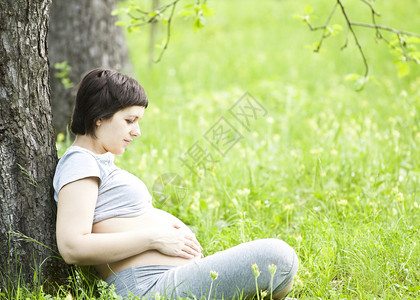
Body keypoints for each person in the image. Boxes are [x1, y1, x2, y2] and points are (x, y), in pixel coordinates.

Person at [53, 68, 299, 300]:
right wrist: (154, 239)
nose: (137, 131)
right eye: (130, 120)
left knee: (278, 261)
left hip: (162, 282)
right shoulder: (80, 162)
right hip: (147, 287)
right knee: (278, 256)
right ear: (99, 117)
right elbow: (72, 245)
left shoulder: (98, 162)